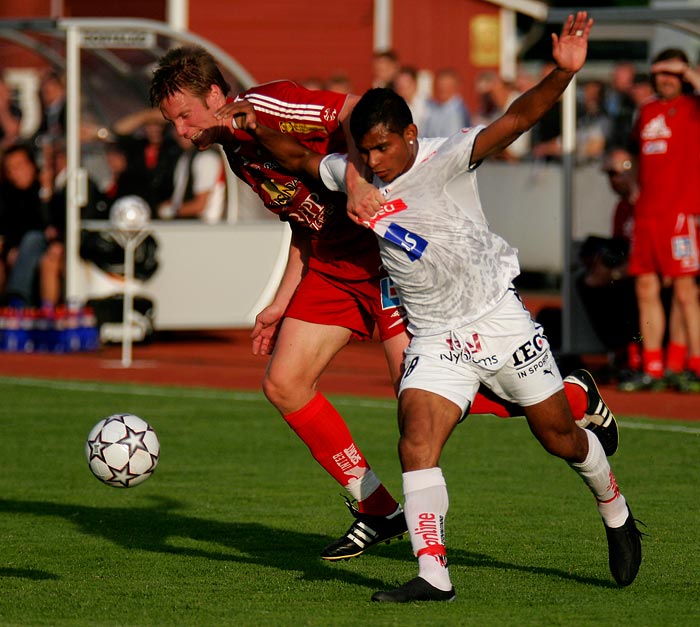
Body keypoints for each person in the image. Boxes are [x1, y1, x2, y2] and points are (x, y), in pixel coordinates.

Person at [149, 43, 619, 565]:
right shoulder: (237, 152)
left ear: (216, 95)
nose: (181, 131)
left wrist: (354, 181)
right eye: (173, 122)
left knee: (414, 394)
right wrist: (280, 300)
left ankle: (573, 400)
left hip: (382, 256)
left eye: (185, 116)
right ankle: (376, 508)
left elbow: (357, 109)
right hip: (332, 264)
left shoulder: (270, 104)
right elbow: (300, 223)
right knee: (285, 384)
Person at [620, 48, 700, 392]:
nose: (666, 80)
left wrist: (690, 73)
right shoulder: (647, 109)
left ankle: (693, 364)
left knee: (685, 292)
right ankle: (653, 366)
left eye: (673, 74)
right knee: (645, 287)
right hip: (647, 215)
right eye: (660, 74)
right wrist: (632, 182)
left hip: (680, 214)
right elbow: (635, 153)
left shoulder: (693, 108)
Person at [0, 144, 46, 303]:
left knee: (33, 239)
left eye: (19, 166)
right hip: (15, 250)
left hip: (42, 246)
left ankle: (17, 299)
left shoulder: (44, 190)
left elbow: (47, 225)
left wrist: (46, 193)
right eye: (10, 169)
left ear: (32, 165)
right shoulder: (7, 195)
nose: (14, 173)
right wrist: (8, 249)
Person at [157, 132, 227, 223]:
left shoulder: (206, 159)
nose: (180, 132)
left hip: (205, 227)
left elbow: (200, 205)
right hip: (187, 224)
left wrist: (170, 211)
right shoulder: (185, 157)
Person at [422, 67, 471, 137]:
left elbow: (454, 140)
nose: (442, 89)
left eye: (446, 86)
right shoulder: (433, 108)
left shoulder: (458, 111)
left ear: (455, 87)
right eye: (440, 85)